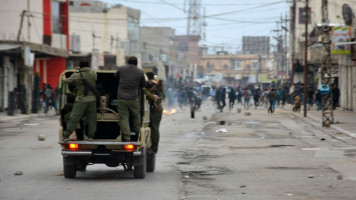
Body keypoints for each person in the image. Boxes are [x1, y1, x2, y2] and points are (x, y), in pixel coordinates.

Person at [62, 60, 97, 141]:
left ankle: (66, 135)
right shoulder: (93, 74)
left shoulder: (76, 75)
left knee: (74, 118)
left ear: (80, 66)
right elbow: (94, 78)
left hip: (81, 100)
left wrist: (64, 78)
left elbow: (67, 81)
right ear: (88, 66)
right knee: (92, 119)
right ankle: (91, 136)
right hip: (92, 100)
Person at [115, 56, 146, 142]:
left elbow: (115, 75)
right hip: (133, 98)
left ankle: (127, 136)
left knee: (124, 117)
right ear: (136, 63)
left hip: (121, 97)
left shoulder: (122, 69)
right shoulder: (140, 72)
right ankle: (137, 133)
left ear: (128, 62)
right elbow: (143, 84)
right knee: (136, 116)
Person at [144, 76, 163, 154]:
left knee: (154, 129)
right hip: (151, 110)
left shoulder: (152, 87)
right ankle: (150, 145)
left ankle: (154, 149)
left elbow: (155, 98)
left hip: (155, 110)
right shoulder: (151, 85)